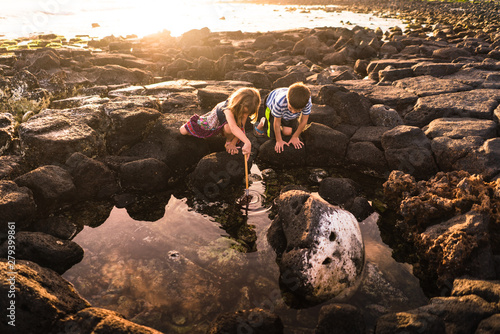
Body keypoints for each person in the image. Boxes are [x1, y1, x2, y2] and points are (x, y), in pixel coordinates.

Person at [179, 87, 261, 157]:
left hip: (228, 125)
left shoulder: (246, 110)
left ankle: (228, 142)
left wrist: (232, 143)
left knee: (228, 128)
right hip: (213, 122)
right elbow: (233, 127)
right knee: (183, 131)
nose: (245, 115)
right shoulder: (227, 109)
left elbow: (240, 126)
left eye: (247, 113)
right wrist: (247, 142)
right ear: (238, 103)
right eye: (244, 112)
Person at [254, 82, 311, 153]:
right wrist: (279, 140)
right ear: (287, 99)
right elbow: (277, 122)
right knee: (271, 135)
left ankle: (285, 118)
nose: (293, 112)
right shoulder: (279, 102)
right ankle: (262, 124)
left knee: (287, 132)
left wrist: (295, 136)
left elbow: (304, 120)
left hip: (286, 106)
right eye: (291, 108)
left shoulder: (307, 102)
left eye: (298, 110)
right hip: (271, 104)